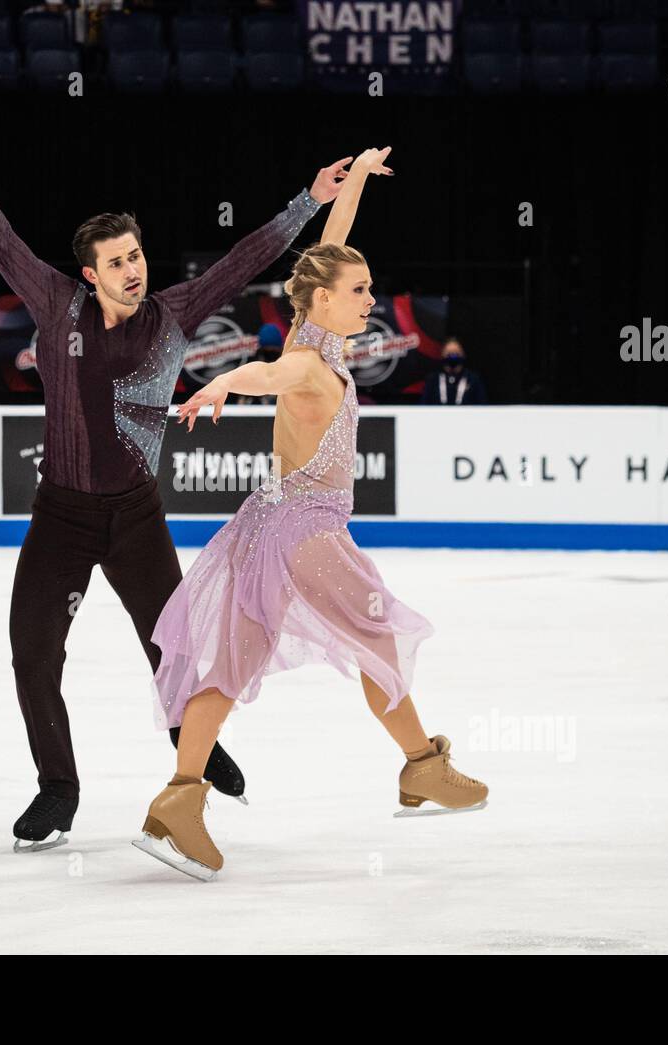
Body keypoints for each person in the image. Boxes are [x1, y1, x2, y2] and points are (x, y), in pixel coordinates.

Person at [0, 122, 350, 852]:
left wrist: (308, 200)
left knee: (173, 647)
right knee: (33, 650)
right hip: (62, 515)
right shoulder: (53, 305)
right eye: (116, 262)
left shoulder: (171, 316)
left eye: (136, 255)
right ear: (90, 273)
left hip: (137, 516)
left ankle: (196, 751)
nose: (133, 269)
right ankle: (59, 788)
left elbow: (243, 261)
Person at [133, 148, 489, 881]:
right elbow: (269, 373)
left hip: (266, 530)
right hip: (309, 532)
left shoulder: (315, 340)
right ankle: (422, 764)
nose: (370, 299)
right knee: (379, 638)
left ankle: (178, 798)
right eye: (360, 291)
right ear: (322, 300)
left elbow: (334, 244)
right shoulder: (305, 365)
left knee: (231, 665)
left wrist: (354, 180)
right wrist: (225, 380)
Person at [420, 336, 488, 405]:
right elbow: (423, 406)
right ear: (442, 355)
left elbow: (482, 406)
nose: (453, 356)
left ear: (463, 355)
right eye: (449, 353)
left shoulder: (473, 379)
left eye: (456, 353)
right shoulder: (433, 380)